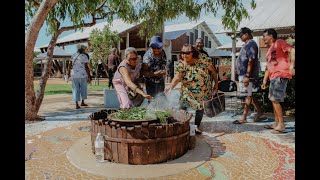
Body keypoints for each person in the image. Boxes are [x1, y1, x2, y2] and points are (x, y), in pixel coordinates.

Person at [164, 44, 218, 134]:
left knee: (200, 109)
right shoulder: (181, 63)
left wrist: (216, 84)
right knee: (182, 107)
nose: (184, 55)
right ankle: (182, 125)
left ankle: (196, 127)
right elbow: (177, 77)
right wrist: (170, 87)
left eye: (187, 53)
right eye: (182, 53)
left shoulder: (203, 59)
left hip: (203, 91)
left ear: (193, 53)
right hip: (187, 90)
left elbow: (212, 71)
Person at [261, 28, 295, 133]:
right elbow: (268, 67)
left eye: (264, 36)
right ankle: (276, 123)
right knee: (273, 99)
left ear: (271, 36)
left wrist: (292, 66)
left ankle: (281, 125)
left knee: (275, 99)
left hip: (280, 74)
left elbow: (292, 50)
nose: (263, 38)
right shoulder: (268, 50)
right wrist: (264, 81)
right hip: (273, 77)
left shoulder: (279, 42)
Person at [232, 27, 265, 124]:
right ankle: (260, 113)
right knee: (250, 94)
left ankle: (244, 117)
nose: (240, 37)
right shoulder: (247, 44)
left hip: (248, 75)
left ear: (246, 34)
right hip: (244, 75)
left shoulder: (251, 44)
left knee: (248, 95)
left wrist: (247, 75)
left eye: (241, 35)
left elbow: (251, 60)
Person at [68, 44, 91, 109]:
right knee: (83, 88)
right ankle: (82, 102)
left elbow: (69, 65)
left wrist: (68, 73)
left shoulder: (73, 55)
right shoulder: (84, 56)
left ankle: (76, 104)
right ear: (82, 50)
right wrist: (89, 76)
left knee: (75, 89)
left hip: (74, 75)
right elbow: (86, 67)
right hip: (83, 75)